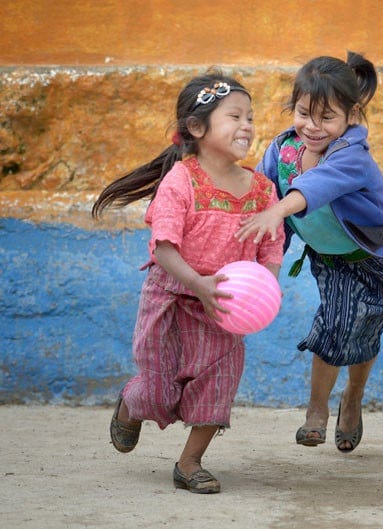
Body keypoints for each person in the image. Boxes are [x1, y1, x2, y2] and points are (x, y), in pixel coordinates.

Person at [92, 71, 285, 493]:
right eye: (234, 116)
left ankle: (190, 462)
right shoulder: (181, 181)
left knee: (219, 386)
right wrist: (197, 283)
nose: (247, 126)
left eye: (250, 117)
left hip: (223, 312)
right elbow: (163, 248)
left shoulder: (262, 190)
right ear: (197, 128)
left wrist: (264, 292)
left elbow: (270, 251)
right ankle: (130, 402)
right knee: (158, 392)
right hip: (171, 300)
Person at [235, 52, 383, 453]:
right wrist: (266, 268)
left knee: (365, 330)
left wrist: (277, 208)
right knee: (336, 326)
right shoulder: (281, 152)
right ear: (293, 107)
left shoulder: (352, 155)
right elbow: (263, 198)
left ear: (351, 116)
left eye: (326, 118)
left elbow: (316, 186)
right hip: (332, 261)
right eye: (303, 113)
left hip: (378, 259)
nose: (312, 127)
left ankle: (352, 398)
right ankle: (317, 411)